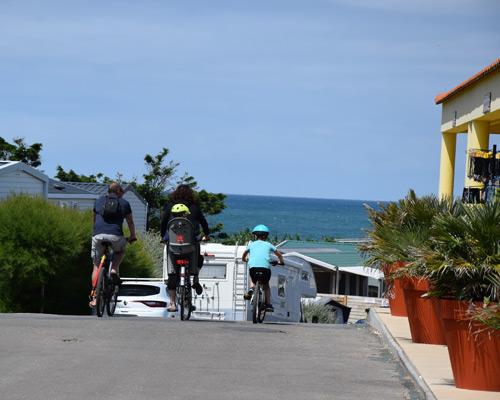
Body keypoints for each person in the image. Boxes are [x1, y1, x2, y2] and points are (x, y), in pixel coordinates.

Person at [160, 184, 210, 305]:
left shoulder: (171, 206)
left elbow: (163, 223)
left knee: (172, 273)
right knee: (199, 259)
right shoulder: (194, 207)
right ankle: (195, 277)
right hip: (191, 245)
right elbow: (203, 222)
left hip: (173, 246)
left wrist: (163, 237)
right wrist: (206, 236)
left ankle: (172, 303)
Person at [89, 182, 136, 308]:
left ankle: (94, 298)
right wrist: (132, 236)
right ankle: (114, 268)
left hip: (98, 235)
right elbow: (130, 221)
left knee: (96, 266)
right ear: (119, 191)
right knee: (120, 250)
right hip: (116, 236)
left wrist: (96, 233)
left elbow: (94, 220)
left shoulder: (99, 201)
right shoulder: (124, 203)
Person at [242, 224, 284, 312]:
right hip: (265, 269)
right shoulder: (268, 245)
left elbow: (244, 254)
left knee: (253, 278)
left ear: (255, 236)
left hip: (253, 268)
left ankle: (251, 288)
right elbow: (278, 254)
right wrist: (281, 262)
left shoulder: (252, 245)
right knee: (266, 286)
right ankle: (268, 305)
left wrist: (244, 259)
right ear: (266, 237)